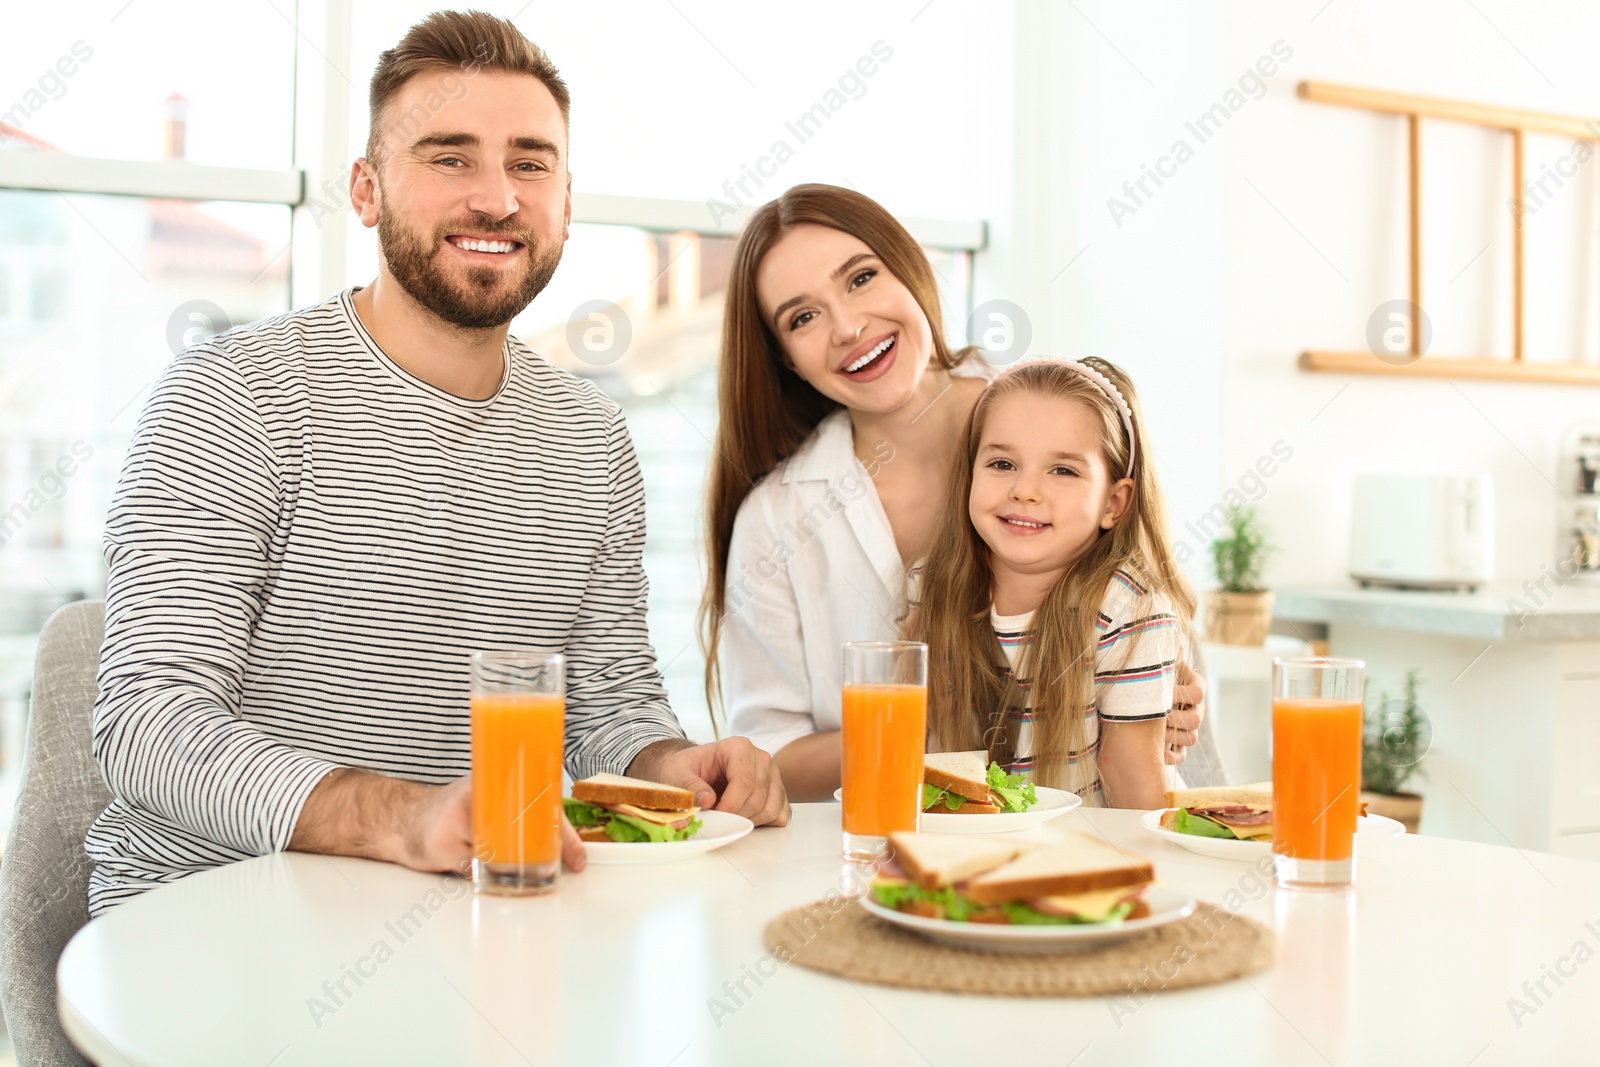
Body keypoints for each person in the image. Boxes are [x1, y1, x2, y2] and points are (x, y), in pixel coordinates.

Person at [85, 10, 786, 916]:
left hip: (481, 912)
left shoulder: (593, 438)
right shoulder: (235, 396)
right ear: (367, 190)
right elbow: (149, 722)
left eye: (529, 164)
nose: (496, 198)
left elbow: (608, 702)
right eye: (450, 157)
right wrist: (403, 818)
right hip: (209, 917)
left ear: (566, 201)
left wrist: (666, 764)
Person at [701, 184, 1208, 802]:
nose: (849, 326)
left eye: (861, 278)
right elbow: (768, 760)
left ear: (913, 270)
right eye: (803, 317)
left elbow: (1148, 633)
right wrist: (922, 715)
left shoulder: (1057, 421)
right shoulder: (778, 518)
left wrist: (1162, 700)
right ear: (785, 359)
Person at [909, 358, 1193, 807]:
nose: (1025, 490)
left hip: (1088, 858)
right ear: (970, 473)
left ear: (1113, 504)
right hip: (973, 848)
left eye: (1063, 471)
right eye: (1002, 463)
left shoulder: (1128, 609)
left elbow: (1135, 785)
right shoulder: (929, 585)